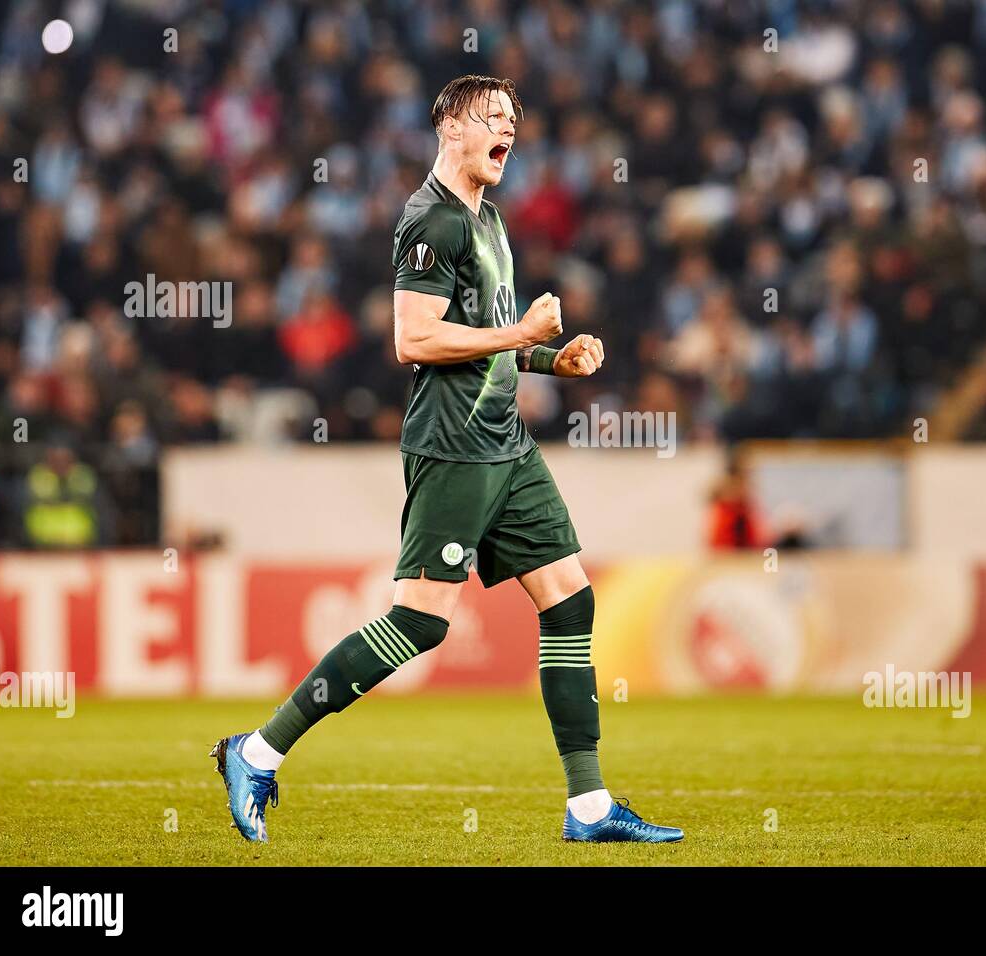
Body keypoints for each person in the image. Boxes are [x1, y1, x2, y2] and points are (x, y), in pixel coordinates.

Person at [210, 75, 682, 843]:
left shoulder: (488, 221)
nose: (511, 130)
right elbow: (415, 340)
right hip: (456, 445)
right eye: (494, 116)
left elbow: (485, 342)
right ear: (451, 125)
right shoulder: (431, 220)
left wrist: (550, 360)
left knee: (570, 599)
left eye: (516, 120)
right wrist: (523, 337)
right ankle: (256, 752)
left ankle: (590, 808)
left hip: (506, 442)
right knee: (421, 624)